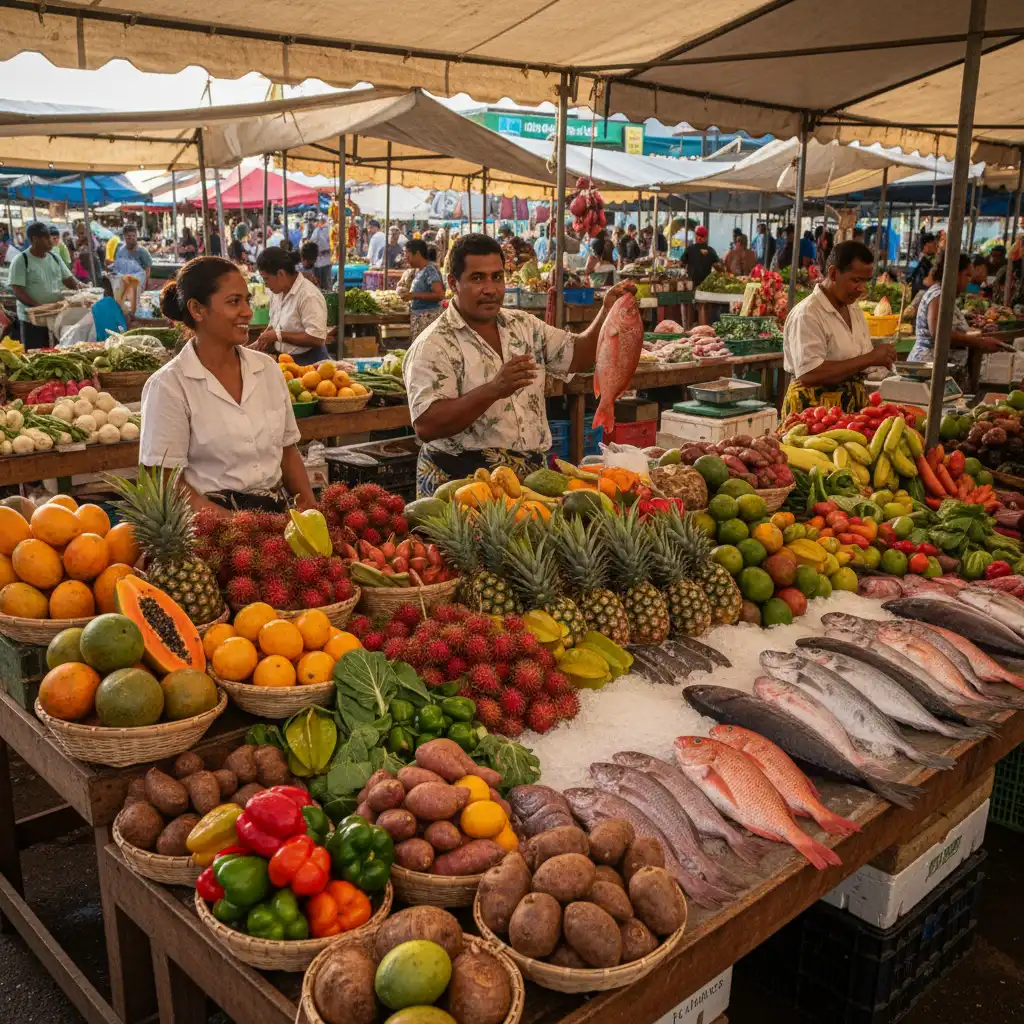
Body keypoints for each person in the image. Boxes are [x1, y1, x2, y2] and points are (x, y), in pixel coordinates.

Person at [402, 233, 635, 497]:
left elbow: (577, 355)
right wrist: (494, 389)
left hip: (529, 481)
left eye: (497, 277)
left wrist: (607, 311)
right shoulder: (433, 345)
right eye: (477, 278)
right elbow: (427, 425)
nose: (490, 288)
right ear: (454, 283)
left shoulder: (524, 325)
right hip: (460, 486)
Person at [140, 256, 316, 516]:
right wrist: (236, 525)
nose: (247, 311)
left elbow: (287, 450)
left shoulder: (267, 370)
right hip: (210, 529)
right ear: (198, 310)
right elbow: (166, 482)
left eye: (247, 300)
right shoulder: (169, 386)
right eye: (234, 301)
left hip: (275, 519)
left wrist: (310, 508)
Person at [781, 240, 895, 418]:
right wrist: (870, 358)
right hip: (812, 413)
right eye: (856, 280)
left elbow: (860, 360)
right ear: (833, 273)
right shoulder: (807, 314)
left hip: (849, 409)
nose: (862, 288)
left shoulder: (854, 309)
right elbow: (810, 373)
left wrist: (880, 362)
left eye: (865, 281)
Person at [909, 253, 1001, 385]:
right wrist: (979, 342)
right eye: (967, 275)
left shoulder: (946, 295)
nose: (969, 280)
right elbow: (938, 333)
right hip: (929, 369)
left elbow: (948, 326)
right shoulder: (938, 295)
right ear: (953, 273)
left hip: (940, 369)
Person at [253, 246, 329, 366]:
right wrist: (262, 340)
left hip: (310, 363)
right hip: (285, 361)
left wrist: (278, 336)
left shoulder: (308, 295)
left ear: (281, 274)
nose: (265, 285)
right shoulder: (277, 292)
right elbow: (276, 324)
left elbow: (317, 338)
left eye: (266, 279)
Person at [9, 221, 79, 349]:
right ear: (35, 239)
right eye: (46, 238)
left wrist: (81, 291)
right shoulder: (20, 261)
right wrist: (38, 307)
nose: (51, 241)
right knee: (37, 353)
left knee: (59, 351)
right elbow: (18, 290)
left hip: (57, 316)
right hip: (33, 319)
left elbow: (68, 279)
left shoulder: (55, 257)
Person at [400, 239, 445, 340]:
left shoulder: (430, 271)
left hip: (427, 319)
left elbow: (440, 294)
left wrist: (414, 295)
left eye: (407, 255)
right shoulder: (418, 271)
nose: (405, 258)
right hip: (419, 319)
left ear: (418, 254)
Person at [112, 224, 153, 290]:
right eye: (129, 236)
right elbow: (116, 265)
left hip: (137, 286)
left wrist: (143, 285)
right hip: (121, 285)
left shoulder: (142, 251)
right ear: (124, 236)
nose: (131, 238)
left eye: (133, 236)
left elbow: (148, 269)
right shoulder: (119, 249)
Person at [90, 275, 129, 341]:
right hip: (118, 339)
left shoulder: (96, 307)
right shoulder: (113, 304)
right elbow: (123, 327)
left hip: (103, 342)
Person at [307, 213, 333, 289]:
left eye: (321, 221)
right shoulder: (316, 231)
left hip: (326, 262)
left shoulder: (329, 230)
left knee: (326, 283)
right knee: (316, 283)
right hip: (316, 262)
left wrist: (325, 250)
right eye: (318, 221)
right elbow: (312, 243)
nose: (319, 222)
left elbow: (333, 246)